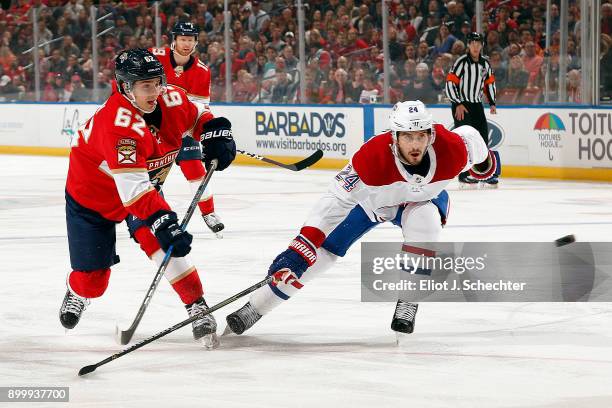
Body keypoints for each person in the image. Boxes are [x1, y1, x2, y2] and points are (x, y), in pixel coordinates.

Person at [224, 100, 495, 336]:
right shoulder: (370, 159)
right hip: (373, 204)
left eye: (421, 136)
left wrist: (484, 163)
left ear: (431, 135)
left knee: (426, 223)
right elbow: (335, 201)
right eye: (407, 137)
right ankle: (255, 307)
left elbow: (472, 137)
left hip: (423, 200)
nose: (415, 144)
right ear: (394, 136)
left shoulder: (454, 150)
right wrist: (302, 247)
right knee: (318, 257)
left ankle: (409, 299)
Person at [59, 49, 236, 346]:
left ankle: (197, 306)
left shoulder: (171, 98)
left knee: (165, 248)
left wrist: (214, 132)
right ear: (125, 87)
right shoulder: (117, 125)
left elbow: (198, 115)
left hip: (143, 188)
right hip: (94, 201)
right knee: (93, 283)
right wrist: (162, 219)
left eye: (158, 82)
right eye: (145, 86)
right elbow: (134, 191)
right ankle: (77, 292)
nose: (155, 91)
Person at [149, 22, 225, 236]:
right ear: (173, 40)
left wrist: (197, 129)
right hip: (154, 128)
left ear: (196, 42)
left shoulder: (202, 71)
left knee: (195, 171)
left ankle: (209, 213)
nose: (186, 44)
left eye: (190, 40)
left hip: (183, 131)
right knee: (149, 175)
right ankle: (144, 214)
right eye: (182, 39)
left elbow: (200, 107)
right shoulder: (154, 56)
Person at [445, 32, 500, 187]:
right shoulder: (461, 62)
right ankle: (463, 175)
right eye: (473, 43)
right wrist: (457, 103)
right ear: (468, 45)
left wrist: (492, 103)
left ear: (482, 45)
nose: (476, 46)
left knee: (482, 139)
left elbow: (490, 83)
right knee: (464, 140)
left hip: (477, 106)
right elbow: (450, 83)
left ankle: (483, 173)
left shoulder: (485, 64)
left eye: (478, 43)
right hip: (461, 105)